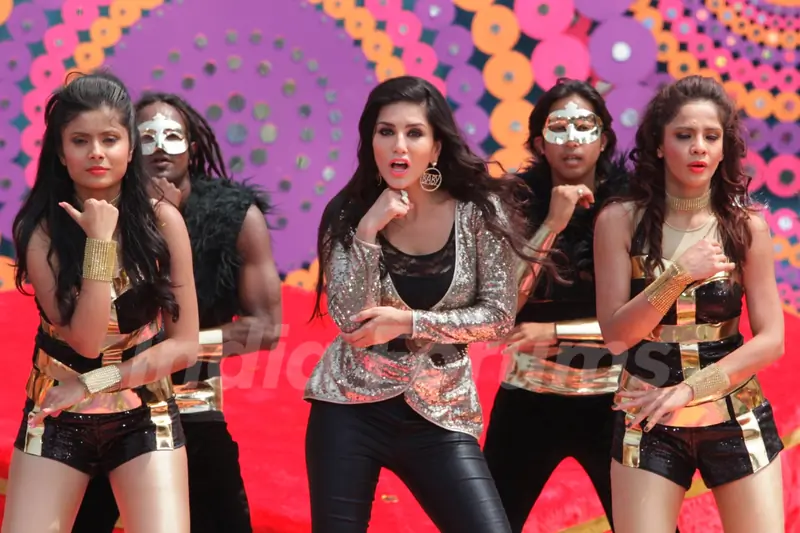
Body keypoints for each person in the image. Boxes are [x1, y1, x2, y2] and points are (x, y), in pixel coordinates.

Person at [303, 75, 547, 533]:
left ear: (435, 147)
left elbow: (498, 318)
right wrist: (368, 230)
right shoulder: (348, 214)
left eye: (414, 133)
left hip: (441, 410)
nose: (399, 145)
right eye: (386, 131)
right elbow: (349, 320)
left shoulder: (479, 210)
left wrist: (409, 322)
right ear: (371, 141)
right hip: (348, 408)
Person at [72, 92, 282, 533]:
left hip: (192, 399)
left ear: (192, 146)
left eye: (172, 136)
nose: (160, 148)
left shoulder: (235, 216)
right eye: (147, 137)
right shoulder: (94, 212)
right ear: (130, 145)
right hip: (105, 398)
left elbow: (266, 328)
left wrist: (174, 348)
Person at [4, 72, 199, 533]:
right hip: (57, 416)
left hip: (144, 413)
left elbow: (185, 347)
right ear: (60, 152)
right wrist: (98, 244)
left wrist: (94, 383)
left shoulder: (163, 222)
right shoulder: (41, 231)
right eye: (80, 141)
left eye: (110, 139)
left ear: (130, 149)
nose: (96, 152)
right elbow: (88, 342)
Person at [594, 75, 785, 533]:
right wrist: (678, 274)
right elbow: (617, 336)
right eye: (684, 135)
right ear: (659, 146)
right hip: (648, 417)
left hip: (735, 413)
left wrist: (690, 390)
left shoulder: (746, 226)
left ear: (723, 149)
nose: (698, 147)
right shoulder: (619, 221)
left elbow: (772, 340)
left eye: (711, 137)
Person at [482, 78, 626, 532]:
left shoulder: (633, 206)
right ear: (540, 144)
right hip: (529, 397)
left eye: (584, 126)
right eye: (558, 128)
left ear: (604, 140)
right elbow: (502, 308)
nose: (571, 139)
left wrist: (554, 333)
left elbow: (646, 316)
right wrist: (552, 223)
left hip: (615, 400)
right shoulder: (514, 203)